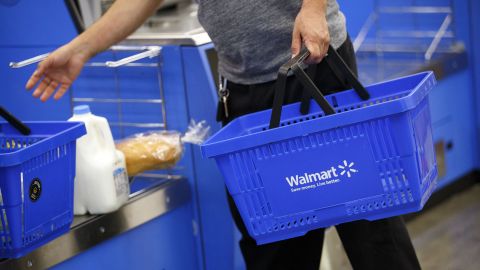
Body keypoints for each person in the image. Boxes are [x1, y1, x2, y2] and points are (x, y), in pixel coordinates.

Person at [25, 0, 421, 269]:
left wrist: (314, 7)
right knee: (273, 239)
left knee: (369, 222)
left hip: (317, 67)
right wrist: (81, 49)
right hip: (246, 91)